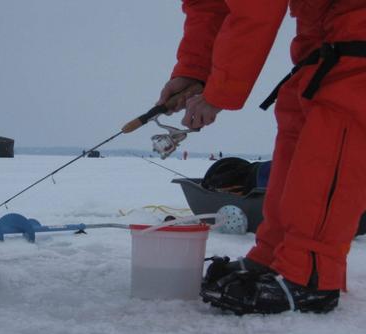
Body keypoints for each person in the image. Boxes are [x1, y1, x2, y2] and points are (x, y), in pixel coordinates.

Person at [157, 1, 366, 314]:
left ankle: (310, 274)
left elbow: (257, 8)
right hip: (322, 34)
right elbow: (211, 4)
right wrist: (195, 70)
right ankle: (277, 258)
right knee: (301, 116)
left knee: (339, 117)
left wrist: (220, 92)